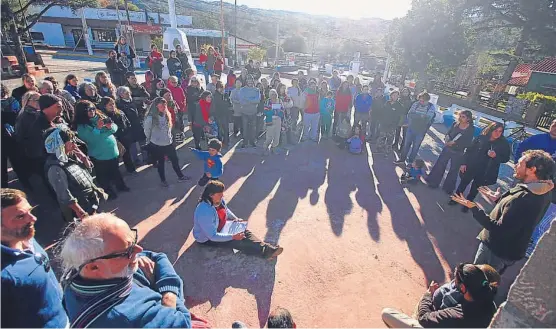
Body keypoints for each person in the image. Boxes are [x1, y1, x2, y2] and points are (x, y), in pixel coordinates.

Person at [60, 213, 197, 328]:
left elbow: (157, 257)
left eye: (133, 239)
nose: (139, 250)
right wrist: (169, 294)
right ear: (94, 267)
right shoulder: (128, 317)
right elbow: (182, 322)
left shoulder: (75, 277)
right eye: (127, 251)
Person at [452, 149, 555, 274]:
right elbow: (518, 216)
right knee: (490, 281)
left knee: (477, 280)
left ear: (532, 169)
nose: (515, 166)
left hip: (497, 250)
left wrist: (474, 208)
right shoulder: (543, 190)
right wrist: (499, 200)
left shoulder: (524, 197)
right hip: (510, 249)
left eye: (520, 164)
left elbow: (499, 228)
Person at [1, 188, 68, 328]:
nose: (33, 219)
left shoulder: (25, 237)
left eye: (30, 211)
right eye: (20, 217)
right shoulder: (3, 276)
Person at [381, 263, 499, 328]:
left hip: (432, 321)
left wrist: (427, 296)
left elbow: (424, 318)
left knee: (387, 314)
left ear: (463, 288)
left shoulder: (457, 314)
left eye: (456, 282)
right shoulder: (491, 307)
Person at [193, 180, 284, 259]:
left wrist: (235, 219)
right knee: (239, 241)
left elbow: (226, 210)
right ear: (211, 195)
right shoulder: (204, 212)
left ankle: (267, 248)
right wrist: (233, 237)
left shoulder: (218, 200)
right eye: (220, 194)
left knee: (245, 232)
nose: (222, 196)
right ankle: (266, 253)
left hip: (223, 227)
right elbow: (212, 236)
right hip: (208, 238)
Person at [43, 127, 105, 221]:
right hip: (81, 211)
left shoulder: (70, 156)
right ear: (59, 144)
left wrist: (83, 158)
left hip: (90, 203)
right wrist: (81, 213)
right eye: (70, 141)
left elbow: (87, 174)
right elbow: (64, 194)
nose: (74, 143)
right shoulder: (55, 167)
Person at [448, 122, 510, 212]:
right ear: (491, 130)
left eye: (500, 131)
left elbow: (506, 158)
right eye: (496, 131)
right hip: (472, 165)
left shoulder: (503, 143)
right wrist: (463, 163)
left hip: (485, 170)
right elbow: (469, 150)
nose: (497, 133)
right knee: (463, 184)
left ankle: (467, 204)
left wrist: (495, 156)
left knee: (475, 188)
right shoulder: (482, 138)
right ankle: (456, 199)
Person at [74, 100, 129, 199]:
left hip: (112, 152)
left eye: (93, 108)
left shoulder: (100, 117)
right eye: (88, 110)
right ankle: (109, 193)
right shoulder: (82, 126)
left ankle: (121, 186)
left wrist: (109, 127)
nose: (92, 111)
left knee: (116, 171)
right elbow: (91, 139)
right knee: (103, 177)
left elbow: (114, 127)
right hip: (99, 155)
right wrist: (99, 129)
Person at [144, 97, 190, 187]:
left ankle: (180, 176)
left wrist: (170, 138)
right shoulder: (150, 118)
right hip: (157, 144)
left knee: (175, 160)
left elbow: (169, 128)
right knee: (161, 163)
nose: (163, 107)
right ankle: (163, 180)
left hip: (168, 142)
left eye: (165, 105)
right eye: (161, 105)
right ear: (156, 106)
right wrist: (151, 141)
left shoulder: (166, 114)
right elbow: (147, 131)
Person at [425, 110, 474, 194]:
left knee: (453, 170)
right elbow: (449, 132)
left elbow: (468, 142)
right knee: (440, 165)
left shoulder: (470, 129)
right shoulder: (455, 124)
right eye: (460, 116)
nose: (461, 118)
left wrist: (455, 143)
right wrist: (447, 139)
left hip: (458, 152)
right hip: (448, 148)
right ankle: (433, 182)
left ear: (468, 119)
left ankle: (448, 188)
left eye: (463, 117)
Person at [394, 92, 436, 166]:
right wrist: (421, 116)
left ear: (427, 100)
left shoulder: (431, 107)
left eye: (423, 101)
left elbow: (427, 119)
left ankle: (410, 162)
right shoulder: (416, 104)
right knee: (406, 145)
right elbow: (410, 114)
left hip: (421, 130)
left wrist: (416, 116)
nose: (421, 102)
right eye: (420, 100)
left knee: (415, 147)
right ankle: (402, 159)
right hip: (411, 127)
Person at [98, 96, 136, 173]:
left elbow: (127, 122)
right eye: (110, 105)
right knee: (115, 158)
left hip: (124, 136)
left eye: (113, 104)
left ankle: (131, 169)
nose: (112, 106)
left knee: (127, 154)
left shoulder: (120, 112)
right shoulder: (104, 117)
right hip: (114, 139)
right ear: (104, 106)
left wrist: (128, 132)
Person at [116, 86, 145, 166]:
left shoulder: (133, 101)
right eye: (126, 93)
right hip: (129, 128)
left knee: (142, 142)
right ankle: (136, 161)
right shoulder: (119, 105)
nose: (128, 94)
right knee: (133, 146)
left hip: (138, 125)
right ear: (120, 95)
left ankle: (146, 158)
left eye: (128, 92)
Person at [1, 85, 23, 188]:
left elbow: (15, 117)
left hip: (10, 135)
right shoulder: (11, 101)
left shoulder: (11, 101)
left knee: (15, 160)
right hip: (7, 136)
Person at [375, 90, 404, 154]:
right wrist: (380, 120)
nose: (395, 97)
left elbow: (401, 116)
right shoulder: (387, 103)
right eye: (394, 95)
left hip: (392, 126)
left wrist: (398, 124)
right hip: (384, 124)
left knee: (390, 139)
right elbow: (382, 112)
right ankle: (379, 148)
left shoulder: (399, 106)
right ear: (391, 96)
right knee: (382, 137)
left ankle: (387, 150)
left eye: (397, 96)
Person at [238, 75, 261, 148]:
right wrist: (252, 100)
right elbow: (242, 102)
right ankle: (244, 142)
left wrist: (247, 99)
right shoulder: (242, 90)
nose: (250, 81)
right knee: (245, 128)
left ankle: (252, 142)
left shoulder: (257, 90)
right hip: (244, 112)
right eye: (248, 80)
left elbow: (257, 101)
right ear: (246, 81)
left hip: (253, 112)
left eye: (251, 80)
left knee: (253, 128)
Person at [263, 89, 284, 155]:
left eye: (274, 94)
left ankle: (274, 148)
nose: (273, 95)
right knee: (269, 137)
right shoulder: (267, 101)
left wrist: (275, 112)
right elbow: (266, 112)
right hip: (270, 120)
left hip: (278, 120)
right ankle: (265, 148)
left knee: (277, 136)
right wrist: (274, 112)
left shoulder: (280, 101)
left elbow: (282, 111)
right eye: (272, 94)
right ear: (269, 95)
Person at [211, 81, 231, 147]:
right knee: (219, 129)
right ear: (216, 88)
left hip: (225, 114)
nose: (221, 89)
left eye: (222, 87)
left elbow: (229, 104)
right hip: (218, 115)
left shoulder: (225, 95)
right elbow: (215, 106)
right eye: (220, 87)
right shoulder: (214, 96)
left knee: (226, 129)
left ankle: (226, 141)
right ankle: (219, 143)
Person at [167, 76, 187, 142]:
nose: (175, 84)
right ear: (169, 82)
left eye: (176, 82)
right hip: (172, 110)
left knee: (181, 123)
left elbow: (183, 97)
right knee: (174, 124)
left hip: (180, 109)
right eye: (173, 82)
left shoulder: (179, 88)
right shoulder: (167, 89)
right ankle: (174, 138)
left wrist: (183, 106)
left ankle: (181, 136)